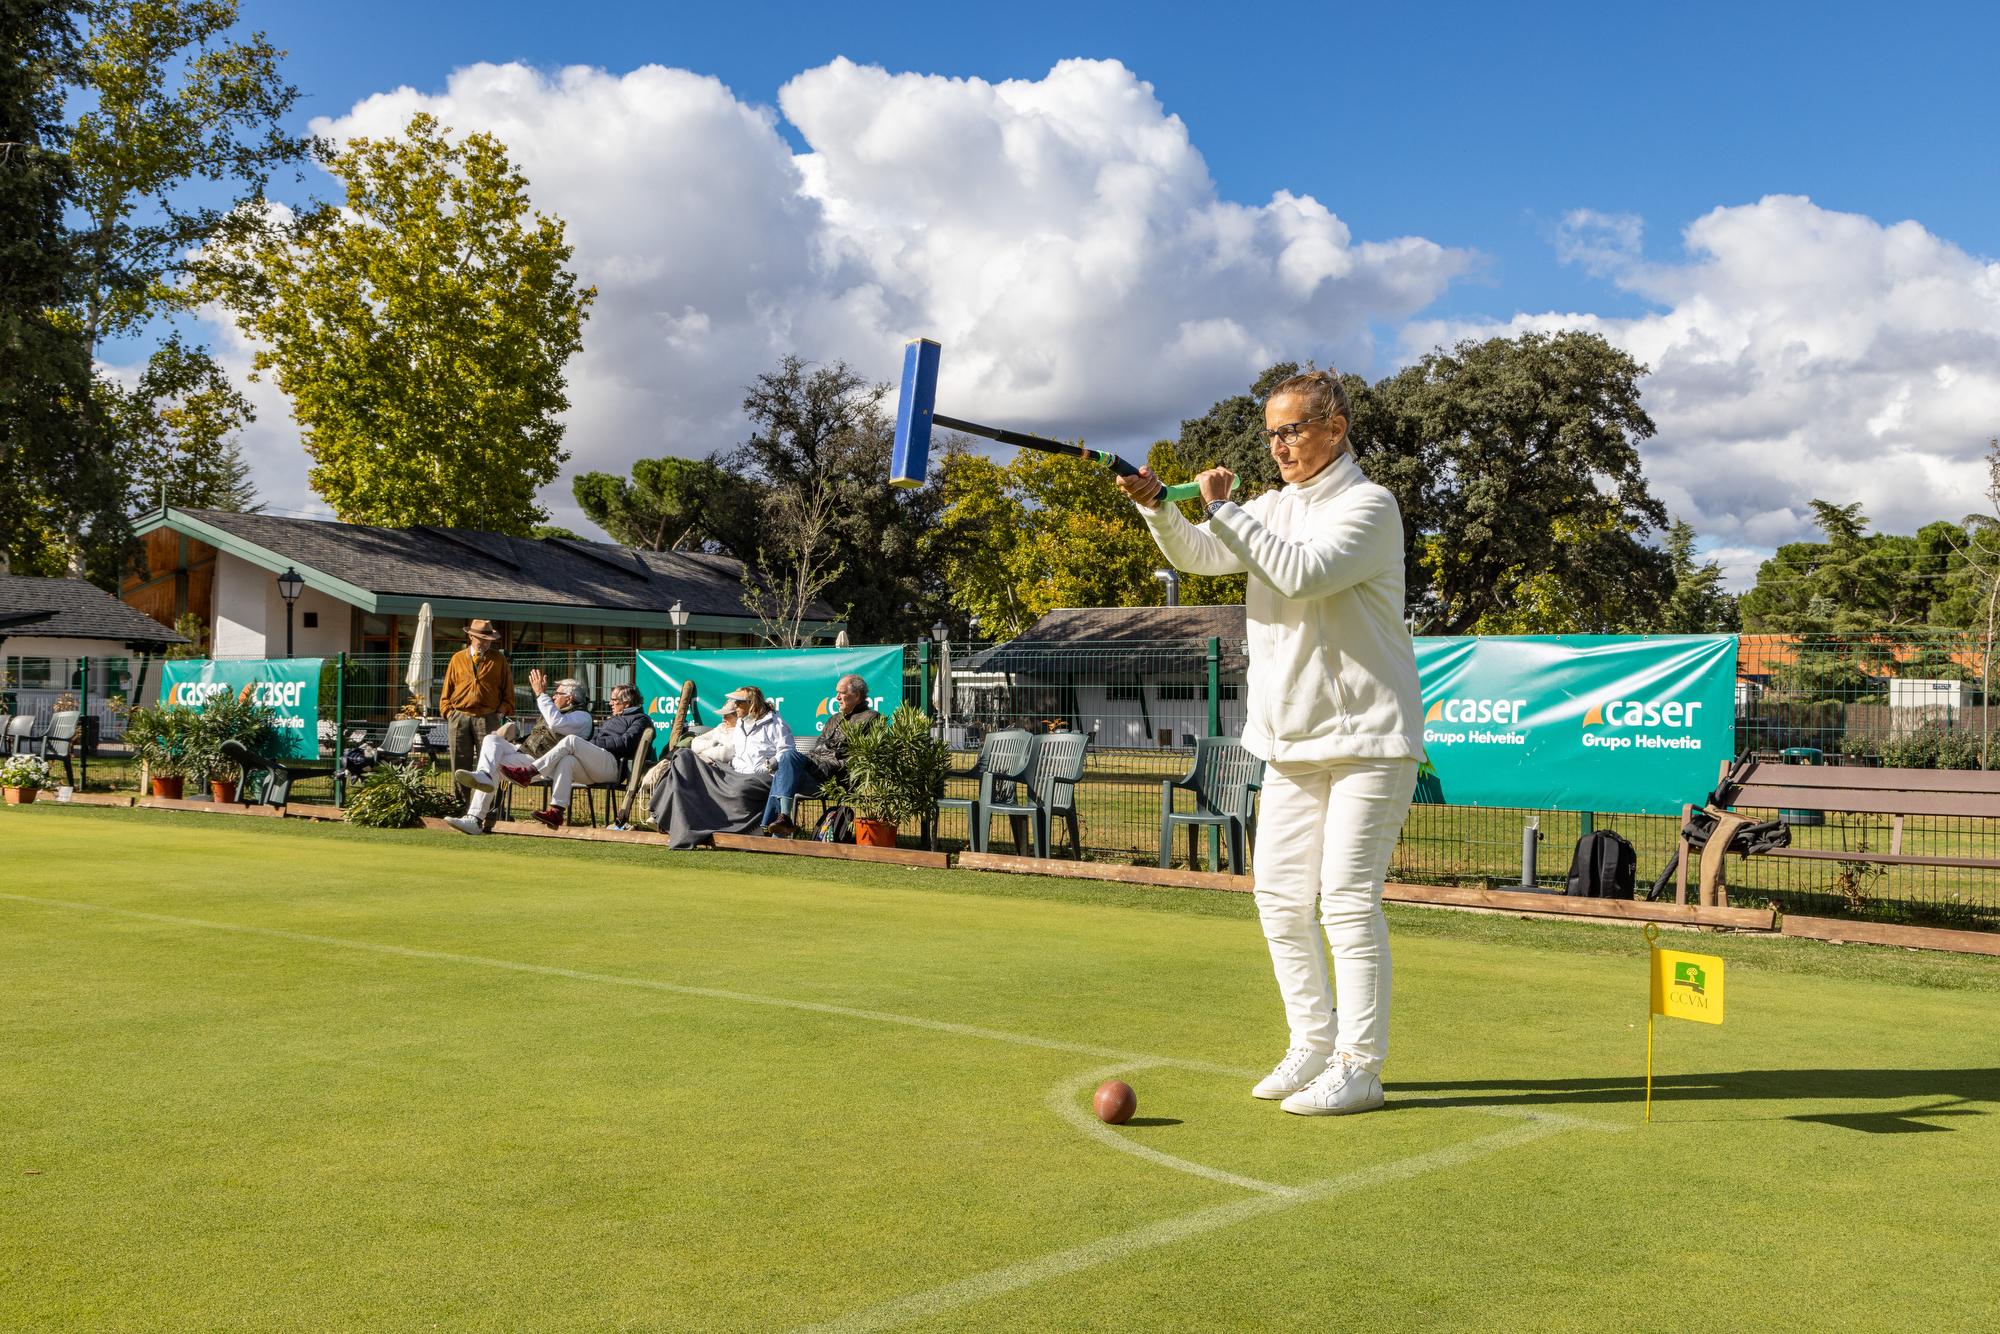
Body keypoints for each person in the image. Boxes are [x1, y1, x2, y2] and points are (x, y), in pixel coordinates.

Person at [1117, 368, 1424, 1117]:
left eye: (1292, 430)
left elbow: (1301, 571)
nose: (1280, 446)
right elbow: (1198, 556)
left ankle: (1360, 1066)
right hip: (1289, 741)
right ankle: (1312, 1045)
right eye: (1272, 434)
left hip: (1369, 741)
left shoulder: (1369, 506)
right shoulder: (1269, 508)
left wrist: (1223, 508)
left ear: (1336, 427)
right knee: (1281, 902)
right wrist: (1160, 507)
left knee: (1347, 903)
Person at [445, 670, 591, 835]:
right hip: (525, 753)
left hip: (543, 765)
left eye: (557, 693)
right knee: (491, 740)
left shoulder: (582, 717)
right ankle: (483, 775)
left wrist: (540, 694)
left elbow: (556, 723)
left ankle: (474, 819)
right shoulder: (559, 711)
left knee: (496, 766)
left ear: (569, 698)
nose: (553, 697)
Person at [648, 685, 794, 849]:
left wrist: (768, 765)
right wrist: (708, 755)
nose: (735, 707)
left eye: (739, 703)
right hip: (732, 772)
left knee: (739, 788)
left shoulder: (776, 724)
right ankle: (664, 815)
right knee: (683, 756)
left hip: (760, 778)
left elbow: (788, 752)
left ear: (752, 703)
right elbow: (723, 750)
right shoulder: (739, 724)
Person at [523, 682, 654, 830]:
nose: (610, 703)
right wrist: (593, 744)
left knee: (572, 740)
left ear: (627, 702)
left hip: (614, 767)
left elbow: (625, 742)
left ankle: (529, 772)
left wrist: (595, 743)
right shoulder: (615, 718)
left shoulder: (640, 719)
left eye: (614, 700)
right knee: (568, 760)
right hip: (599, 765)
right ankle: (556, 812)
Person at [760, 674, 880, 836]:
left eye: (841, 693)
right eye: (836, 693)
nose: (837, 697)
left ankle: (771, 830)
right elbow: (817, 750)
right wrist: (814, 760)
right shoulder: (834, 718)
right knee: (785, 763)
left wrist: (825, 761)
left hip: (834, 779)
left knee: (787, 761)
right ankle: (782, 822)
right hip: (816, 771)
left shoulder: (870, 718)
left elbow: (857, 759)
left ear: (857, 695)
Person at [439, 620, 513, 812]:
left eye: (488, 639)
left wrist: (500, 712)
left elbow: (508, 692)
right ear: (471, 637)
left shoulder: (499, 660)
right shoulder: (457, 659)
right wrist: (449, 712)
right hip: (459, 717)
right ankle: (460, 807)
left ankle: (490, 810)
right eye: (481, 639)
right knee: (459, 765)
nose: (485, 643)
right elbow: (446, 691)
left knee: (489, 766)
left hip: (488, 717)